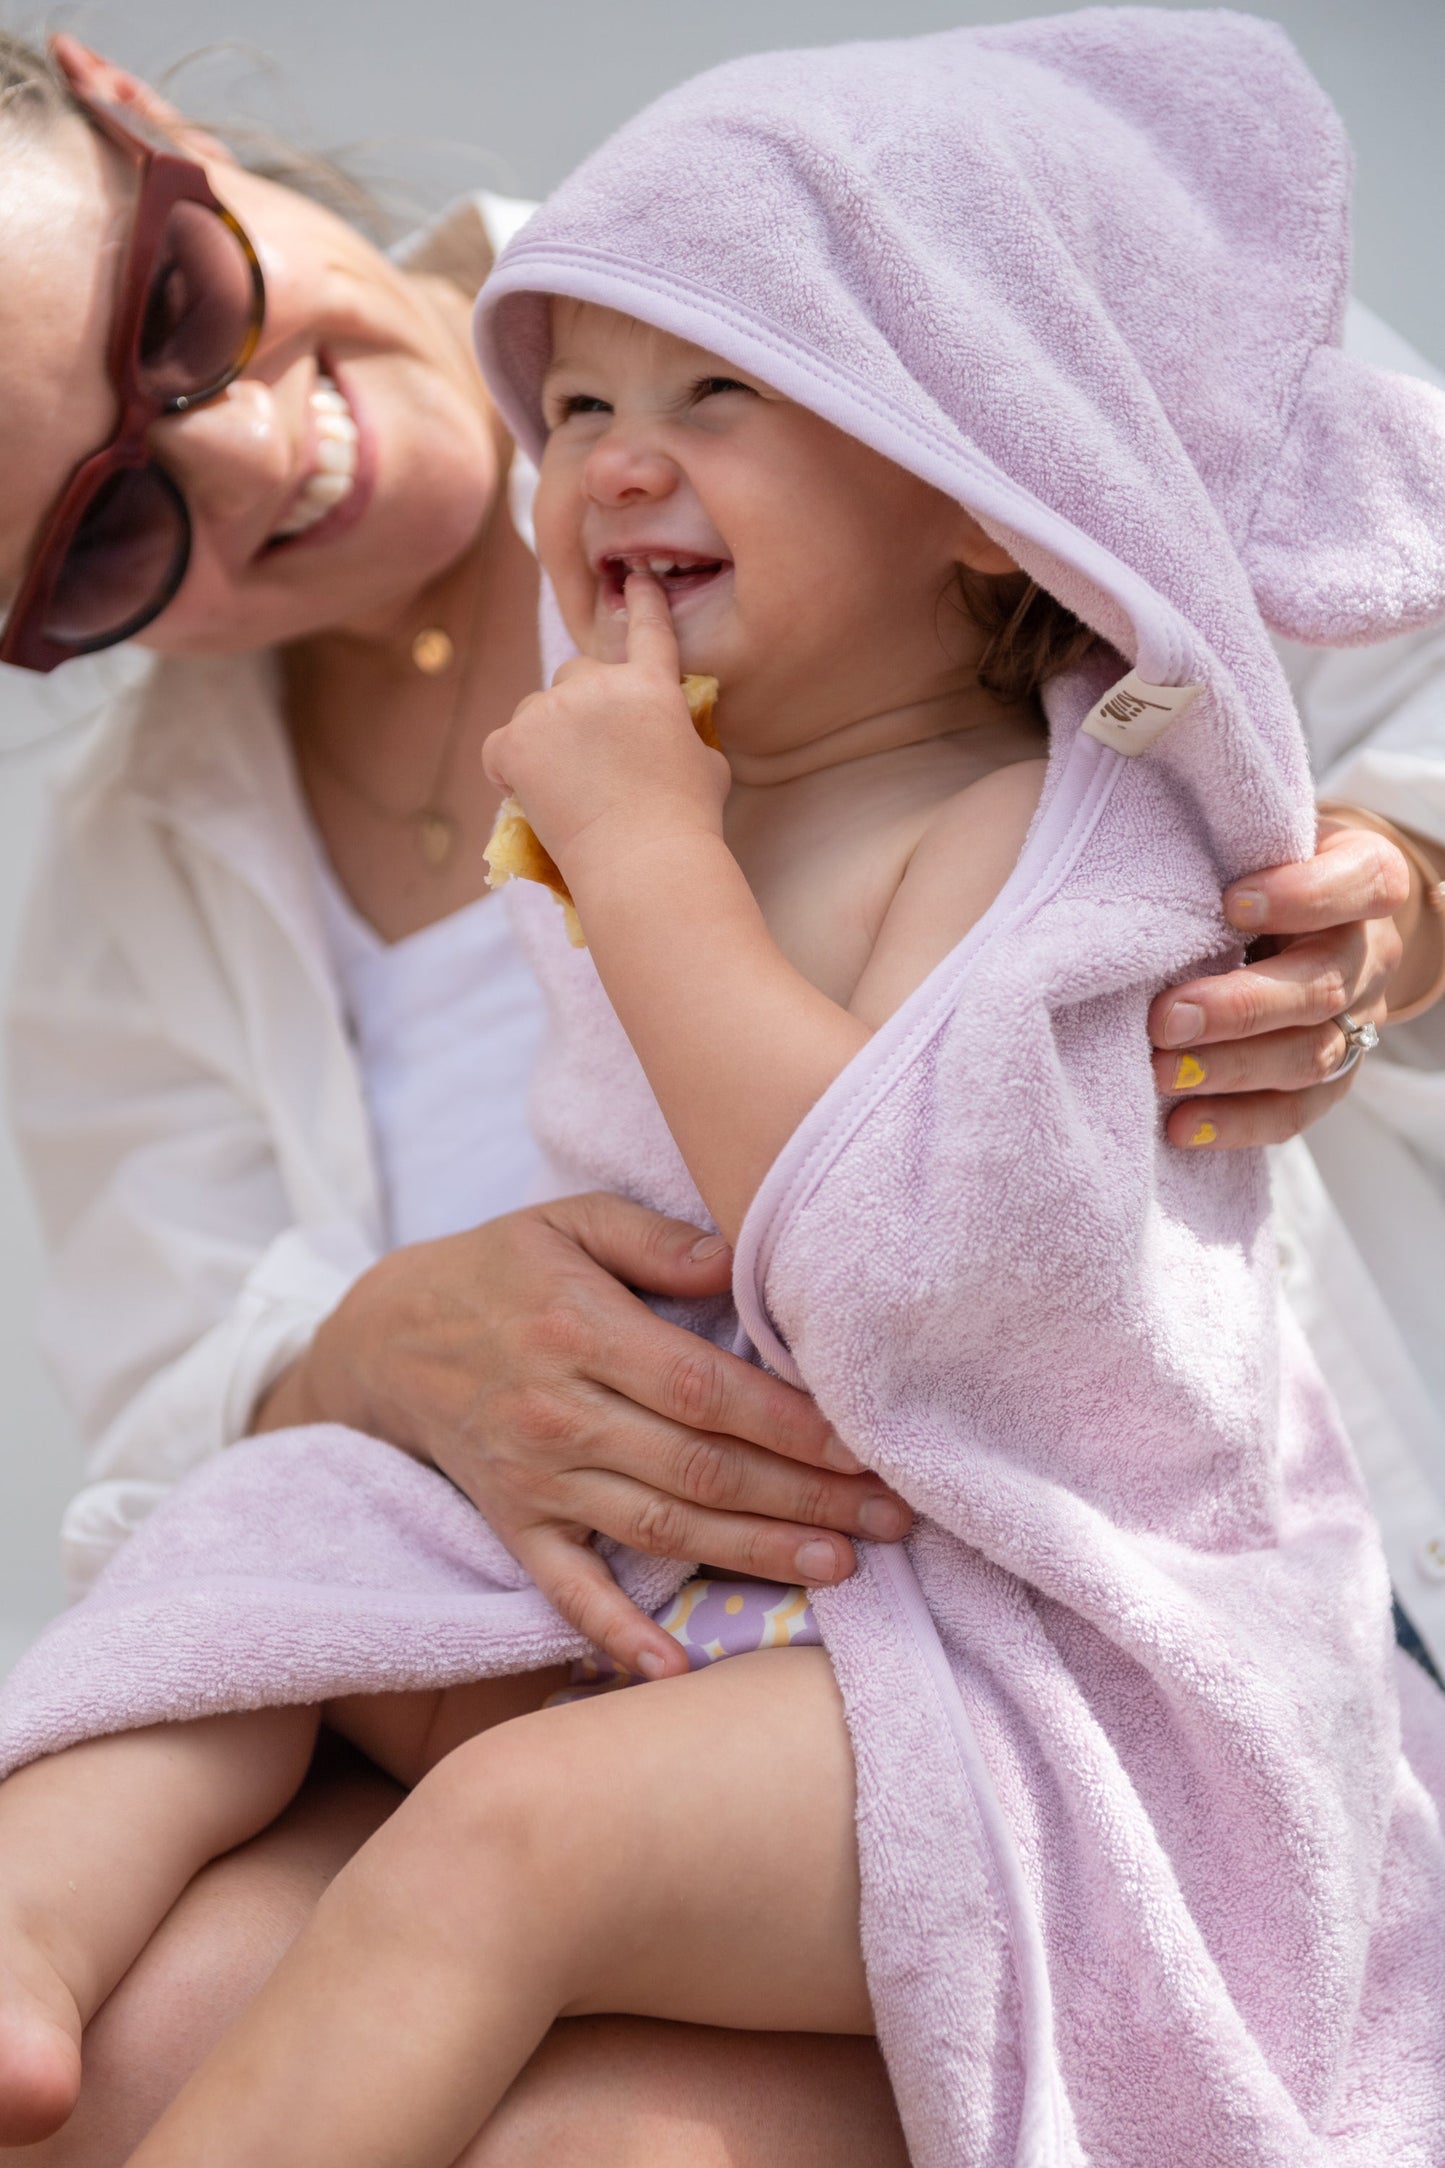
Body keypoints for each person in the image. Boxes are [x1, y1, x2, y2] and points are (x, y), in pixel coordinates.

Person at [0, 23, 1435, 2166]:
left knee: (540, 1969)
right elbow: (170, 1384)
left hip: (1014, 1630)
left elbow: (911, 1252)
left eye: (171, 319)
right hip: (660, 1605)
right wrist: (361, 1357)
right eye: (106, 534)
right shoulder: (136, 884)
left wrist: (1398, 888)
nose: (239, 456)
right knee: (237, 1609)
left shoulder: (855, 279)